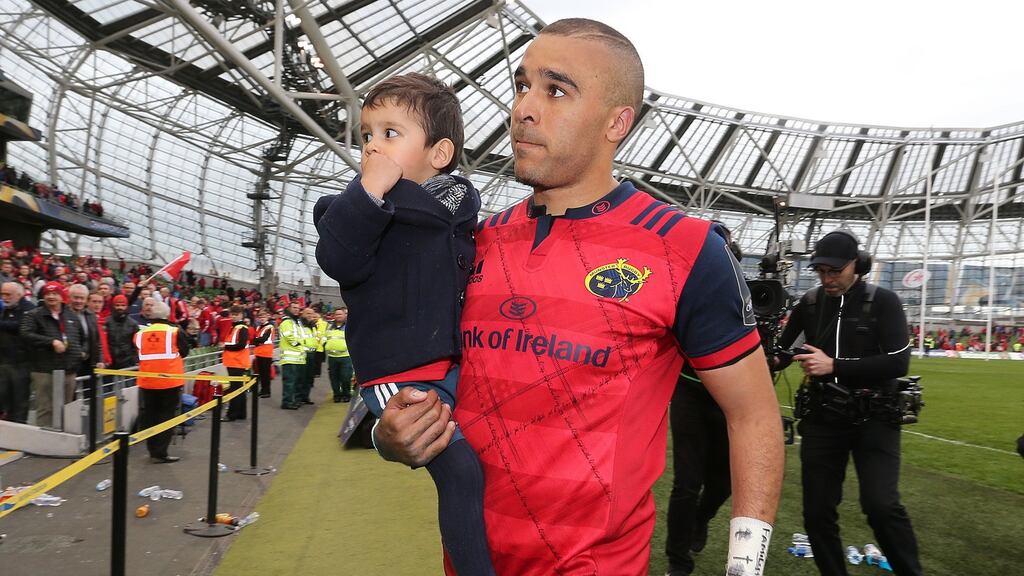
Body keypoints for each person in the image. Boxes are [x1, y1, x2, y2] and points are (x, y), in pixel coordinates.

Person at [368, 20, 783, 576]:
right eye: (522, 86)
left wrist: (744, 568)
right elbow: (421, 375)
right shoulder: (468, 243)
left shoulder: (686, 250)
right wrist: (389, 435)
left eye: (555, 90)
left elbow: (753, 414)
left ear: (617, 121)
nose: (523, 108)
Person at [313, 72, 488, 575]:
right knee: (459, 473)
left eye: (391, 133)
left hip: (453, 368)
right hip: (399, 376)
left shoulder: (456, 210)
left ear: (439, 154)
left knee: (488, 465)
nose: (373, 146)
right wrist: (368, 190)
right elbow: (338, 257)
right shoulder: (354, 210)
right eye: (367, 134)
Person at [771, 230, 921, 576]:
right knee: (817, 512)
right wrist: (772, 360)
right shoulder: (809, 303)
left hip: (876, 416)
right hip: (823, 418)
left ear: (857, 264)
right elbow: (784, 350)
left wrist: (835, 365)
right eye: (821, 271)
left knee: (881, 505)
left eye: (834, 271)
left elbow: (899, 363)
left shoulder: (884, 301)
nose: (827, 278)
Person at [665, 223, 745, 576]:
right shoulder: (679, 281)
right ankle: (678, 562)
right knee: (686, 483)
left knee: (723, 483)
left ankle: (702, 518)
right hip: (689, 392)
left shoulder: (746, 293)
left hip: (729, 395)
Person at [20, 282, 84, 427]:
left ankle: (64, 439)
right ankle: (44, 444)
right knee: (45, 408)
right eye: (47, 293)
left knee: (66, 408)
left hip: (68, 370)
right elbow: (25, 334)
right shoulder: (34, 315)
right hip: (44, 370)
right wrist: (51, 342)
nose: (50, 296)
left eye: (54, 293)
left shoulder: (71, 316)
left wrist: (81, 351)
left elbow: (81, 336)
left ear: (62, 297)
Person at [134, 301, 190, 463]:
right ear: (166, 315)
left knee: (150, 415)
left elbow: (138, 351)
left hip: (147, 381)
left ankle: (152, 450)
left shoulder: (141, 333)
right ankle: (161, 452)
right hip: (169, 382)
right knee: (166, 417)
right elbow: (185, 352)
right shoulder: (175, 331)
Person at [0, 282, 34, 422]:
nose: (4, 297)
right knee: (3, 399)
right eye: (3, 294)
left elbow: (20, 326)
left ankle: (19, 434)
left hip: (21, 363)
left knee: (19, 401)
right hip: (4, 361)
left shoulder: (29, 309)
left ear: (19, 295)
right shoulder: (5, 309)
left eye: (8, 294)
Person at [221, 304, 250, 421]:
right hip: (235, 362)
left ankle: (232, 414)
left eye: (236, 314)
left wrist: (226, 346)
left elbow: (241, 345)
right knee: (238, 389)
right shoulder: (235, 327)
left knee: (235, 390)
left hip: (237, 362)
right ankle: (241, 413)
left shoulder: (241, 328)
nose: (233, 317)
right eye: (232, 314)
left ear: (241, 315)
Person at [277, 299, 307, 410]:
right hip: (290, 358)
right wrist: (299, 345)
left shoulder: (296, 322)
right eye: (294, 307)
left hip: (297, 358)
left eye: (298, 308)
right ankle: (287, 402)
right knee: (289, 382)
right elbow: (290, 337)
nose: (296, 310)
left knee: (295, 382)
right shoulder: (286, 322)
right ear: (289, 308)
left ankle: (292, 400)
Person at [324, 307, 353, 403]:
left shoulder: (349, 326)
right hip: (332, 357)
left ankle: (346, 394)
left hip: (345, 357)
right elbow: (324, 337)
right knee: (334, 378)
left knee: (346, 377)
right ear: (334, 316)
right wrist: (326, 345)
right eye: (337, 314)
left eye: (340, 314)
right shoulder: (329, 327)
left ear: (345, 315)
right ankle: (337, 395)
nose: (338, 316)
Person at [105, 294, 139, 369]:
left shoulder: (133, 324)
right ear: (113, 306)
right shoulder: (106, 322)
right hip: (110, 364)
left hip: (128, 363)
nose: (120, 308)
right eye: (117, 305)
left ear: (127, 306)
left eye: (123, 305)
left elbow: (136, 345)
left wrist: (135, 360)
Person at [252, 309, 275, 398]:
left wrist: (257, 341)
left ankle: (267, 391)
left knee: (266, 373)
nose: (262, 318)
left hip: (266, 353)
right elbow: (256, 339)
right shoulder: (258, 327)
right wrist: (257, 341)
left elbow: (263, 339)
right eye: (260, 317)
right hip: (259, 353)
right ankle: (263, 390)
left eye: (263, 317)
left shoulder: (269, 327)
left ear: (267, 317)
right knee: (261, 373)